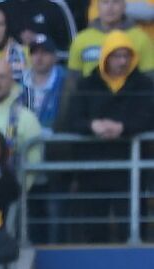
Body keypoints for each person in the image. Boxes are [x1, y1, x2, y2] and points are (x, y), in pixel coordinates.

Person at [63, 31, 154, 240]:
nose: (122, 62)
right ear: (105, 57)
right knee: (93, 228)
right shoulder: (87, 84)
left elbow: (148, 117)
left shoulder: (144, 85)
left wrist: (123, 127)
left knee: (131, 227)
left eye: (126, 56)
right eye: (116, 56)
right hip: (93, 168)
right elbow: (72, 119)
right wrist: (92, 125)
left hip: (130, 167)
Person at [68, 0, 154, 77]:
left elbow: (150, 78)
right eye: (105, 2)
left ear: (124, 6)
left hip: (131, 89)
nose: (110, 7)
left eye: (115, 2)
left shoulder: (141, 39)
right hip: (90, 89)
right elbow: (72, 80)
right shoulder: (81, 40)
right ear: (97, 6)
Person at [27, 34, 67, 129]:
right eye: (35, 53)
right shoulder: (20, 82)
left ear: (55, 57)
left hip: (55, 135)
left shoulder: (67, 82)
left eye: (44, 53)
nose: (39, 58)